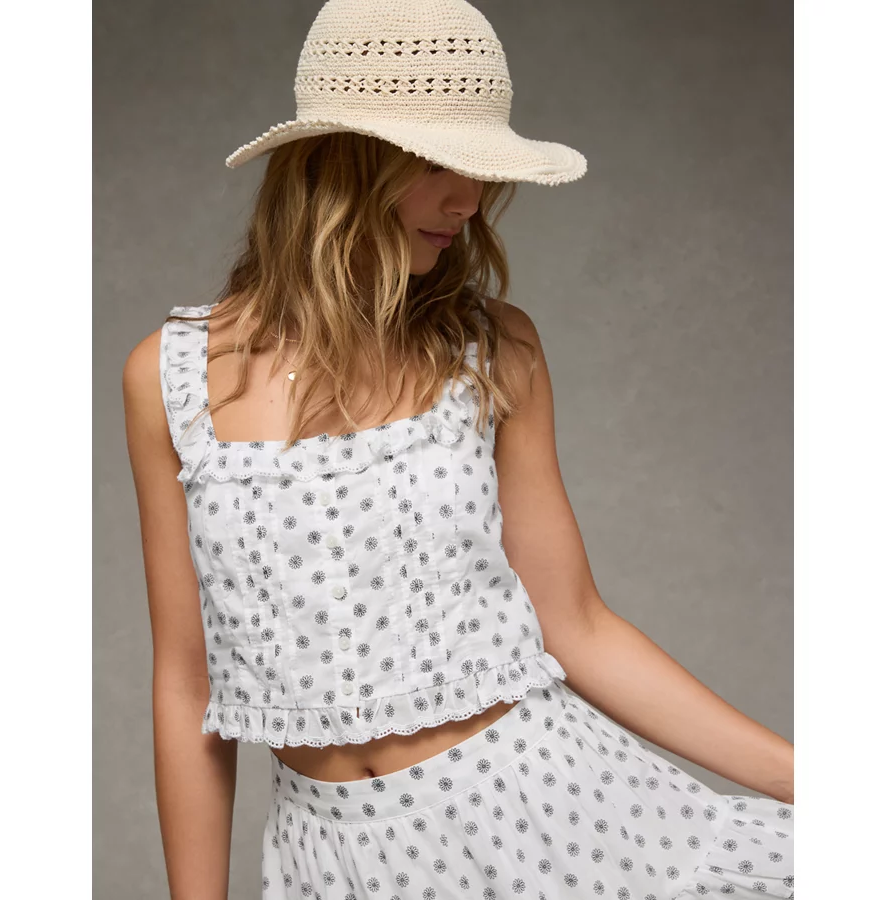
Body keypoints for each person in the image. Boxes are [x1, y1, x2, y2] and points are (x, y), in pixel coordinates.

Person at [122, 1, 794, 898]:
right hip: (332, 863)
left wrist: (814, 782)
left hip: (548, 820)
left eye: (478, 170)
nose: (468, 202)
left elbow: (577, 625)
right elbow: (185, 684)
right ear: (341, 160)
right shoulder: (168, 377)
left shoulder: (491, 349)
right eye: (437, 163)